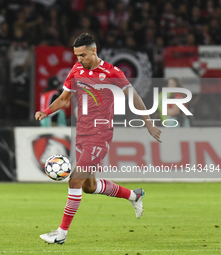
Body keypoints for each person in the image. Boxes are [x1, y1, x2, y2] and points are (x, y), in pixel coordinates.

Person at [35, 33, 162, 244]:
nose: (79, 59)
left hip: (99, 135)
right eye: (77, 55)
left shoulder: (112, 72)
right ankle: (134, 195)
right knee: (88, 186)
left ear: (94, 50)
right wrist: (46, 111)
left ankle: (61, 234)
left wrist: (148, 121)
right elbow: (65, 98)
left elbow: (134, 97)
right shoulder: (76, 70)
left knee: (75, 180)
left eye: (83, 55)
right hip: (81, 134)